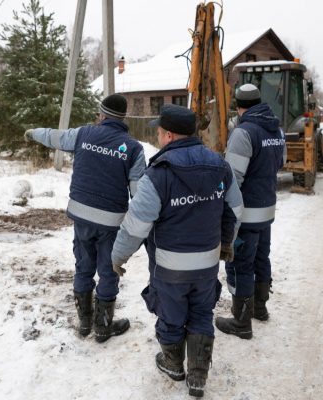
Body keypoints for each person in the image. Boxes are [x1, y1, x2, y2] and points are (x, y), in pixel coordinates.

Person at [111, 104, 243, 398]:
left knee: (171, 315)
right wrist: (225, 243)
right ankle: (198, 375)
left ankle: (173, 364)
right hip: (207, 263)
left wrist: (118, 256)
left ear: (169, 135)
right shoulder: (220, 166)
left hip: (170, 268)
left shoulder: (158, 174)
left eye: (158, 132)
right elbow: (235, 208)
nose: (158, 137)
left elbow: (136, 225)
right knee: (201, 311)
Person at [24, 94, 146, 343]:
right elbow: (138, 192)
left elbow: (53, 137)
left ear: (101, 115)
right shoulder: (133, 149)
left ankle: (84, 323)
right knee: (108, 270)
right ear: (122, 118)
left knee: (83, 266)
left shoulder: (82, 135)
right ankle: (102, 327)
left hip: (81, 217)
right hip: (111, 222)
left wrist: (33, 132)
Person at [215, 83, 286, 339]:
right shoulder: (276, 129)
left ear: (238, 105)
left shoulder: (243, 133)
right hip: (267, 210)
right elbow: (281, 162)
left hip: (245, 214)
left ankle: (241, 322)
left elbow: (233, 178)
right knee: (261, 258)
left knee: (240, 264)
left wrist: (223, 208)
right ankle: (260, 308)